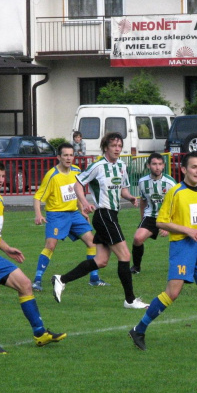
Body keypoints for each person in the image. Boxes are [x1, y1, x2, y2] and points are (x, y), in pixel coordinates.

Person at [128, 152, 197, 351]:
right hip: (182, 247)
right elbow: (160, 221)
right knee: (173, 293)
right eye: (194, 167)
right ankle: (139, 329)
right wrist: (186, 230)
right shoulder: (175, 192)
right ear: (184, 169)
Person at [0, 160, 67, 354]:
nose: (1, 180)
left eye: (2, 176)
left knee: (25, 284)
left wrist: (7, 249)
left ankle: (40, 334)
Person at [51, 132, 149, 310]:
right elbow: (78, 184)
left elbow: (123, 190)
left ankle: (61, 279)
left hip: (112, 215)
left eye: (119, 146)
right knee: (125, 256)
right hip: (104, 215)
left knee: (101, 260)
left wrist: (131, 198)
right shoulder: (98, 166)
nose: (117, 149)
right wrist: (84, 202)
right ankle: (130, 300)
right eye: (114, 146)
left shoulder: (121, 166)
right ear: (105, 147)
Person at [31, 143, 109, 292]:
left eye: (71, 155)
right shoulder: (52, 175)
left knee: (92, 243)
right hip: (56, 215)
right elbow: (38, 197)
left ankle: (94, 278)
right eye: (65, 155)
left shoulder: (76, 171)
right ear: (58, 157)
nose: (68, 158)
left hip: (74, 214)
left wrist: (83, 211)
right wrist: (38, 214)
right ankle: (37, 280)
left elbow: (77, 195)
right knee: (50, 246)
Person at [130, 152, 176, 275]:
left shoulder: (171, 183)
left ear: (163, 166)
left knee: (181, 240)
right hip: (151, 216)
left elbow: (176, 205)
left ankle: (185, 266)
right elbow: (143, 201)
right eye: (154, 164)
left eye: (160, 164)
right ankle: (136, 267)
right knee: (137, 239)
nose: (157, 167)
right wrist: (142, 220)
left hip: (168, 217)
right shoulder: (142, 182)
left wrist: (169, 224)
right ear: (149, 165)